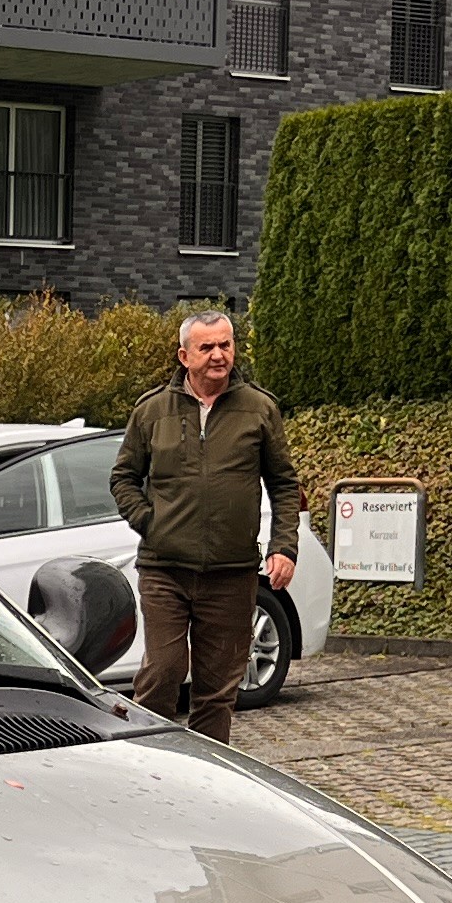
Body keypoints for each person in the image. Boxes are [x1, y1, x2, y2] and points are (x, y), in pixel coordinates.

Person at [104, 309, 304, 744]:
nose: (218, 355)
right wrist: (149, 522)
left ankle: (207, 781)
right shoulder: (152, 409)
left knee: (216, 691)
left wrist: (284, 546)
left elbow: (285, 484)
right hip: (164, 570)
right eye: (207, 347)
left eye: (225, 345)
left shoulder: (259, 409)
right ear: (184, 355)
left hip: (232, 575)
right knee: (164, 672)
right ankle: (145, 763)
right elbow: (123, 478)